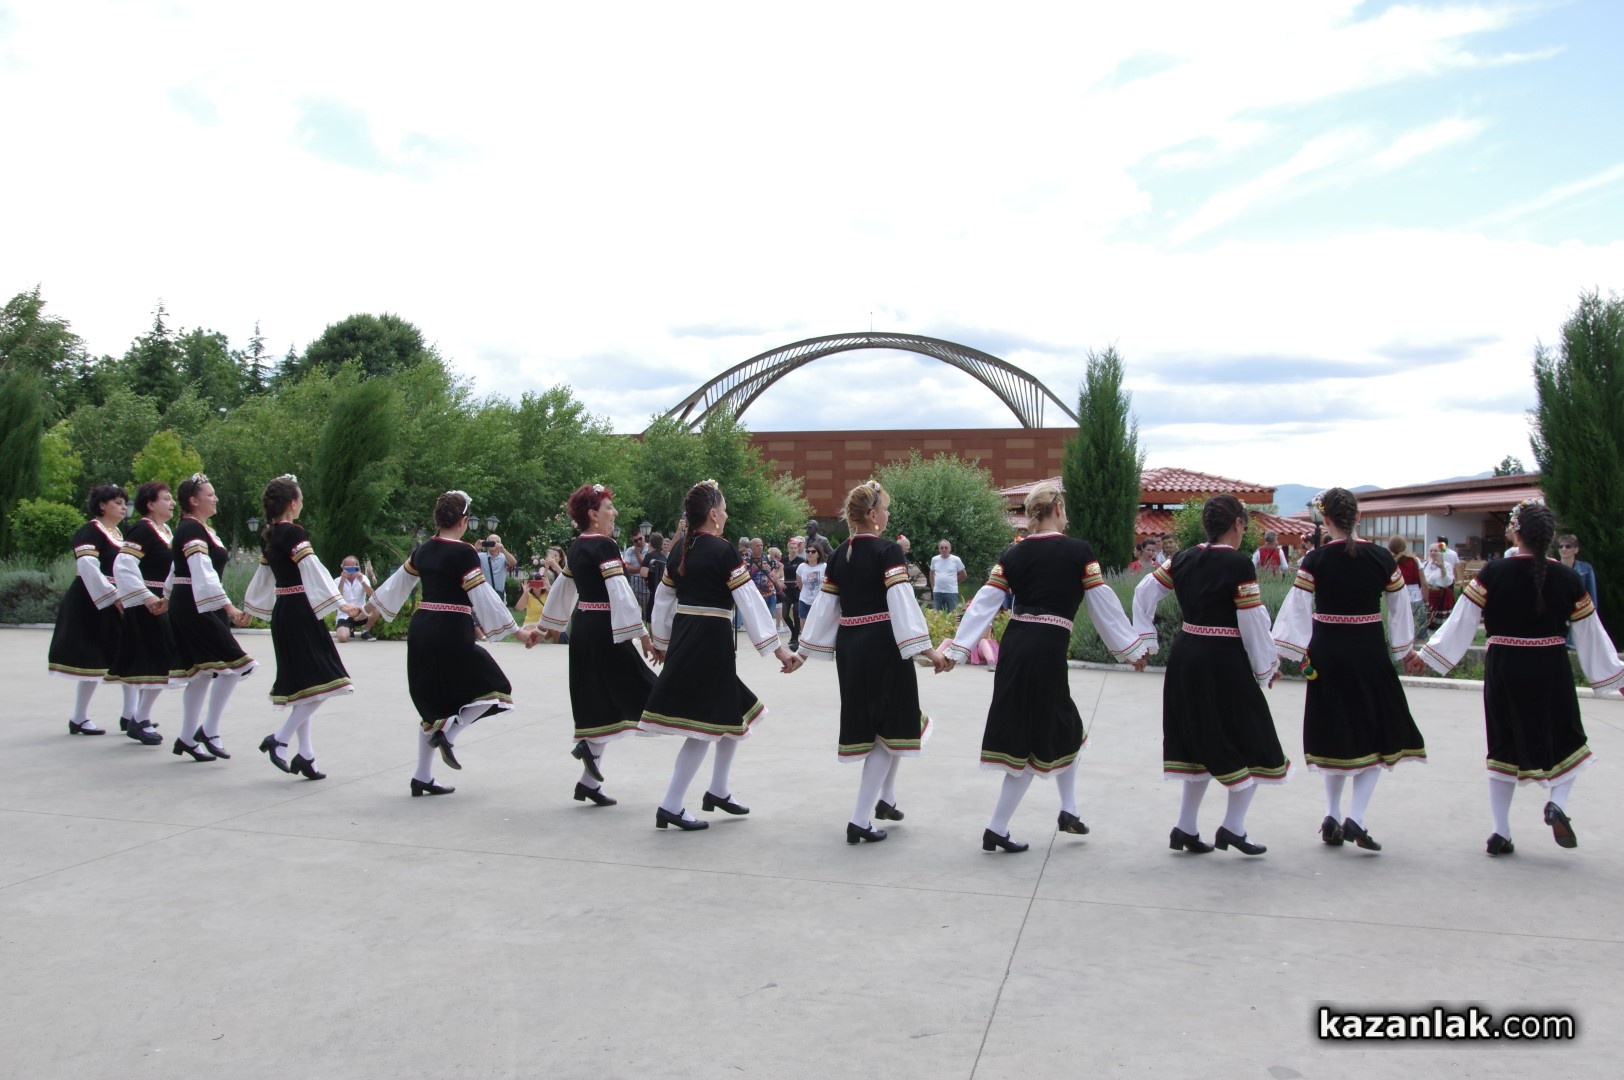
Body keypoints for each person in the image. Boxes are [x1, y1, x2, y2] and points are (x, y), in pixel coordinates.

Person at [945, 481, 1152, 852]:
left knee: (1066, 727)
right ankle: (996, 827)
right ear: (1057, 508)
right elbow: (1102, 604)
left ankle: (1069, 811)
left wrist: (959, 649)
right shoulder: (1077, 551)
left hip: (1016, 646)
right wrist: (1130, 648)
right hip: (1045, 652)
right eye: (1065, 509)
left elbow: (984, 603)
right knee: (1034, 737)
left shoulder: (1014, 553)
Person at [1409, 499, 1624, 854]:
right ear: (1550, 537)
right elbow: (1591, 634)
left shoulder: (1493, 573)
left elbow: (1462, 620)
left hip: (1504, 666)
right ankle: (1557, 805)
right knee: (1566, 740)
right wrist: (1616, 677)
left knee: (1503, 744)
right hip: (1550, 665)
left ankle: (1500, 832)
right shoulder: (1568, 578)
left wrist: (1427, 656)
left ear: (1516, 533)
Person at [796, 481, 951, 844]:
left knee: (898, 723)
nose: (887, 513)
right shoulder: (887, 550)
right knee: (885, 732)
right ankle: (859, 819)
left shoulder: (839, 555)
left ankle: (887, 799)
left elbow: (825, 607)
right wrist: (927, 650)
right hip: (883, 646)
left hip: (851, 648)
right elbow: (901, 602)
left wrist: (803, 652)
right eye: (884, 508)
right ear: (871, 515)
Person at [1133, 495, 1289, 856]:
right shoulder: (1238, 563)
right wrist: (1267, 665)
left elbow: (1144, 591)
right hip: (1223, 660)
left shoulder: (1183, 558)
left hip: (1186, 656)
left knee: (1198, 739)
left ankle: (1185, 828)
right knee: (1256, 741)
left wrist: (1145, 637)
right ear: (1237, 524)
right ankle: (1233, 827)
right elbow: (1251, 621)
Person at [1270, 489, 1426, 851]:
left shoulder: (1315, 559)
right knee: (1373, 731)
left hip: (1326, 652)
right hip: (1368, 651)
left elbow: (1296, 609)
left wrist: (1281, 654)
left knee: (1334, 728)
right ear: (1358, 517)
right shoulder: (1381, 557)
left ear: (1325, 521)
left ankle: (1331, 814)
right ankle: (1355, 817)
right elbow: (1400, 606)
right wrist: (1404, 649)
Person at [640, 480, 799, 831]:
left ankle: (718, 790)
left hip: (688, 638)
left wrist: (663, 642)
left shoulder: (680, 549)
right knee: (702, 728)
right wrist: (777, 648)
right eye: (724, 510)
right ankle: (670, 804)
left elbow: (662, 601)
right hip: (709, 643)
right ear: (713, 514)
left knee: (735, 714)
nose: (726, 515)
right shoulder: (722, 550)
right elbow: (749, 601)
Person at [374, 491, 541, 797]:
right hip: (451, 629)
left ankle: (422, 776)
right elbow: (483, 596)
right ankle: (448, 735)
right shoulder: (464, 553)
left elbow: (396, 584)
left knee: (432, 704)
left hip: (422, 629)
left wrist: (369, 610)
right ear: (463, 521)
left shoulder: (423, 550)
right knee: (495, 687)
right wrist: (516, 631)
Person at [537, 483, 657, 806]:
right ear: (593, 514)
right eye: (608, 508)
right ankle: (694, 727)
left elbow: (563, 589)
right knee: (644, 688)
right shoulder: (605, 545)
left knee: (600, 697)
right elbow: (620, 592)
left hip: (584, 627)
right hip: (606, 629)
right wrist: (643, 635)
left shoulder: (577, 545)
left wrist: (545, 626)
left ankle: (589, 783)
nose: (613, 513)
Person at [243, 475, 353, 781]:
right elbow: (312, 569)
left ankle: (306, 755)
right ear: (292, 503)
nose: (302, 503)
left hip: (284, 611)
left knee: (306, 687)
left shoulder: (269, 534)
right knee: (329, 680)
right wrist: (341, 603)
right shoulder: (292, 532)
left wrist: (250, 607)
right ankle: (279, 738)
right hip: (300, 611)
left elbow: (263, 577)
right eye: (301, 499)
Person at [49, 484, 152, 736]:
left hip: (117, 599)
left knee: (129, 654)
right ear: (102, 505)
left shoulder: (118, 534)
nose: (123, 507)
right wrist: (112, 596)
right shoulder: (91, 531)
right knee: (92, 659)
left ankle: (130, 716)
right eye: (117, 502)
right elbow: (87, 566)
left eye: (124, 503)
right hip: (90, 600)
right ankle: (79, 717)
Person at [167, 473, 256, 762]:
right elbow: (201, 573)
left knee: (203, 674)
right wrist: (229, 608)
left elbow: (176, 570)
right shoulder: (192, 529)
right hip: (196, 604)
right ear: (194, 501)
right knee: (235, 666)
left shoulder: (196, 529)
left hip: (195, 601)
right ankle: (209, 730)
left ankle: (187, 738)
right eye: (210, 494)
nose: (215, 498)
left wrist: (166, 597)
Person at [105, 481, 177, 745]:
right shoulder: (142, 530)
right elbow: (123, 564)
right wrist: (146, 596)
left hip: (161, 603)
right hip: (147, 605)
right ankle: (138, 718)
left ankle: (137, 716)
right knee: (162, 659)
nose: (172, 503)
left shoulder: (166, 531)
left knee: (162, 660)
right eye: (166, 498)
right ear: (150, 504)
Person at [1557, 534, 1599, 648]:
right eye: (1561, 546)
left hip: (1579, 612)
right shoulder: (1553, 568)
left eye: (1568, 546)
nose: (1563, 549)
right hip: (1559, 614)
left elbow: (1592, 595)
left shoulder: (1586, 569)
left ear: (1576, 550)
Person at [1389, 535, 1428, 640]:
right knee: (1419, 631)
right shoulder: (1415, 560)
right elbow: (1424, 583)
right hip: (1416, 598)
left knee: (1400, 632)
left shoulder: (1389, 561)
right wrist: (1426, 600)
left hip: (1397, 597)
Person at [333, 555, 379, 642]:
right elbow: (337, 598)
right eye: (347, 568)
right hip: (345, 614)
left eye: (353, 567)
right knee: (342, 638)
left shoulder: (363, 578)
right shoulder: (337, 581)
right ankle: (349, 629)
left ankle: (365, 631)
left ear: (357, 567)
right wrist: (342, 580)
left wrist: (362, 581)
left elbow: (372, 595)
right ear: (343, 568)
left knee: (376, 607)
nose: (350, 570)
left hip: (361, 612)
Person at [1422, 540, 1455, 630]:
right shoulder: (1425, 565)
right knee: (1426, 622)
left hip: (1441, 595)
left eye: (1435, 551)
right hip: (1428, 594)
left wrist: (1442, 568)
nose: (1433, 553)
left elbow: (1448, 582)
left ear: (1441, 552)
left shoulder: (1447, 565)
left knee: (1440, 626)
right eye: (1431, 551)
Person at [477, 533, 518, 602]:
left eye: (496, 542)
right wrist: (476, 548)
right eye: (491, 542)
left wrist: (503, 550)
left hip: (499, 594)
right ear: (486, 544)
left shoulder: (504, 556)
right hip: (485, 594)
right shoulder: (481, 556)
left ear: (500, 544)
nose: (493, 543)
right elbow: (468, 561)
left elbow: (513, 563)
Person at [928, 538, 966, 612]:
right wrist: (933, 586)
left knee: (953, 613)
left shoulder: (956, 559)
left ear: (950, 549)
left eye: (946, 548)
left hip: (951, 591)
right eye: (942, 548)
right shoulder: (934, 559)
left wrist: (955, 581)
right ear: (939, 549)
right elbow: (931, 573)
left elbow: (963, 574)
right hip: (938, 591)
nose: (944, 549)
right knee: (938, 614)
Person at [783, 536, 805, 650]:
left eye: (795, 548)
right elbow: (776, 572)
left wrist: (801, 582)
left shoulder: (801, 561)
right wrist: (779, 581)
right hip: (786, 588)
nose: (793, 550)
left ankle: (795, 638)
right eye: (791, 548)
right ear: (788, 549)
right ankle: (793, 632)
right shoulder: (783, 560)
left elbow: (805, 573)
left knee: (796, 613)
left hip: (797, 589)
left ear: (798, 549)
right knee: (785, 615)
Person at [795, 545, 825, 626]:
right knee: (804, 627)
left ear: (818, 554)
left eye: (813, 551)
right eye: (808, 551)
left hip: (819, 601)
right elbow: (800, 584)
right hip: (804, 600)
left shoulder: (824, 566)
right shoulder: (801, 567)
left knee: (817, 626)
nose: (810, 553)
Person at [642, 533, 667, 624]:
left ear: (650, 543)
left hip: (653, 589)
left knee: (650, 615)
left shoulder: (649, 556)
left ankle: (651, 633)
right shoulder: (663, 557)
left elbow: (643, 573)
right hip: (662, 589)